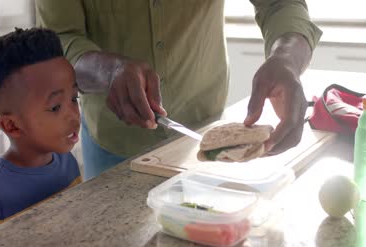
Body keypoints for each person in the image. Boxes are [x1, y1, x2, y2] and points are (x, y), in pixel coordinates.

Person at [36, 0, 322, 180]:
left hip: (203, 129)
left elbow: (280, 4)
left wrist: (286, 59)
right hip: (113, 143)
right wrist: (106, 70)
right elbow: (58, 38)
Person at [0, 28, 82, 243]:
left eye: (74, 98)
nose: (74, 115)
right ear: (12, 126)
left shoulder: (67, 163)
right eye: (55, 108)